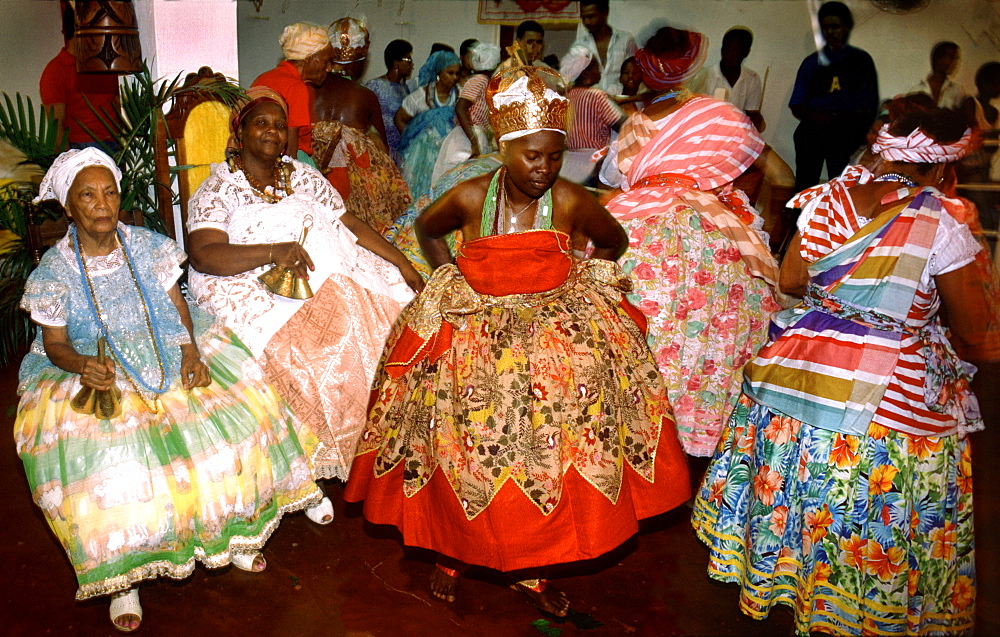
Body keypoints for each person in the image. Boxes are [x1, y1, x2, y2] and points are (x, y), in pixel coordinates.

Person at [345, 65, 691, 616]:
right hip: (473, 334)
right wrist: (449, 276)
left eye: (554, 156)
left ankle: (534, 569)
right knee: (461, 446)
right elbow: (428, 230)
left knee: (544, 451)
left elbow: (614, 239)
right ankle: (453, 554)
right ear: (503, 148)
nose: (544, 168)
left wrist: (578, 274)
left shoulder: (573, 199)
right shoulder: (468, 194)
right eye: (533, 155)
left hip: (549, 338)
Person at [692, 107, 999, 636]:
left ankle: (797, 588)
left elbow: (790, 281)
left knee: (803, 499)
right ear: (940, 170)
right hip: (885, 400)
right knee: (870, 512)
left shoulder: (824, 200)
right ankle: (859, 609)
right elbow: (975, 327)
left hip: (799, 372)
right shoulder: (940, 223)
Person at [16, 148, 325, 632]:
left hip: (169, 345)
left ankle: (234, 537)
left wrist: (192, 353)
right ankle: (123, 576)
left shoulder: (146, 246)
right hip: (91, 363)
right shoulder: (54, 274)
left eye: (110, 193)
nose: (102, 205)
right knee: (110, 461)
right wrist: (81, 365)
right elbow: (54, 343)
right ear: (69, 207)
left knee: (232, 422)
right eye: (88, 196)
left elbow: (178, 306)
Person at [185, 88, 423, 483]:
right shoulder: (219, 189)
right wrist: (273, 250)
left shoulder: (303, 175)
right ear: (239, 134)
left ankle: (390, 441)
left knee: (396, 314)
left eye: (280, 125)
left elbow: (350, 225)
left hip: (335, 269)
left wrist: (401, 261)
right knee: (325, 342)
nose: (273, 132)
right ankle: (333, 455)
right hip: (254, 277)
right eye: (261, 123)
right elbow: (204, 255)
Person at [602, 27, 783, 458]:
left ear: (645, 69)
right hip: (711, 227)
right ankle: (700, 435)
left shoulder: (634, 124)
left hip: (636, 224)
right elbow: (784, 177)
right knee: (718, 327)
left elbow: (612, 181)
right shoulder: (717, 115)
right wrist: (760, 223)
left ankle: (629, 434)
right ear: (693, 65)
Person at [312, 18, 411, 234]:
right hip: (354, 197)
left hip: (313, 185)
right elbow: (382, 152)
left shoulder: (308, 92)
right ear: (360, 60)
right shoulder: (364, 96)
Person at [789, 1, 879, 192]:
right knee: (805, 187)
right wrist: (821, 118)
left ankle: (834, 221)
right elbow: (797, 105)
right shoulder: (811, 63)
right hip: (813, 130)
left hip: (845, 133)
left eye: (835, 26)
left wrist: (859, 132)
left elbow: (870, 105)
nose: (830, 32)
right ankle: (798, 222)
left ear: (846, 27)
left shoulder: (861, 61)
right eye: (825, 28)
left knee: (841, 189)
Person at [40, 4, 120, 152]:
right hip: (83, 148)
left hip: (116, 145)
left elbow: (118, 107)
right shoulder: (56, 70)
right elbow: (57, 129)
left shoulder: (106, 64)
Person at [252, 22, 335, 163]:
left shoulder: (263, 78)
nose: (329, 68)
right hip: (287, 161)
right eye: (326, 61)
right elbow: (290, 148)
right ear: (309, 59)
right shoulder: (296, 87)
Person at [432, 42, 502, 184]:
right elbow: (460, 108)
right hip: (465, 137)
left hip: (473, 134)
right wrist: (473, 141)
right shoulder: (479, 80)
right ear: (494, 65)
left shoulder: (485, 82)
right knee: (457, 179)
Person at [395, 50, 461, 197]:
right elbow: (399, 118)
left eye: (457, 73)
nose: (455, 77)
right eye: (450, 73)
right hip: (422, 158)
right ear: (439, 73)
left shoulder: (460, 96)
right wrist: (412, 139)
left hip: (449, 154)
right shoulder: (420, 96)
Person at [560, 45, 626, 184]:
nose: (600, 71)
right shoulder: (596, 96)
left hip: (568, 163)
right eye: (596, 67)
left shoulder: (567, 96)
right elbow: (624, 125)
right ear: (586, 74)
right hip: (593, 164)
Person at [691, 27, 765, 130]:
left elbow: (752, 113)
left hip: (735, 134)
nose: (729, 54)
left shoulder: (752, 78)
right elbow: (694, 112)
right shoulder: (706, 75)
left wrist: (758, 121)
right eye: (726, 48)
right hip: (706, 130)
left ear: (746, 52)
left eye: (736, 50)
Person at [571, 0, 638, 96]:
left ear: (605, 13)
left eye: (591, 16)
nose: (586, 22)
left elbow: (636, 76)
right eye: (583, 17)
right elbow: (573, 81)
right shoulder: (579, 45)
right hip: (590, 106)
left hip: (621, 106)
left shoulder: (626, 40)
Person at [365, 39, 414, 165]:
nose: (412, 64)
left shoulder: (405, 89)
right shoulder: (374, 86)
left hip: (401, 151)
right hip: (380, 149)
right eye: (408, 60)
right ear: (396, 63)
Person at [907, 41, 967, 110]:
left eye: (956, 59)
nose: (955, 63)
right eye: (951, 57)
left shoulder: (957, 91)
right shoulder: (917, 89)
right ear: (938, 59)